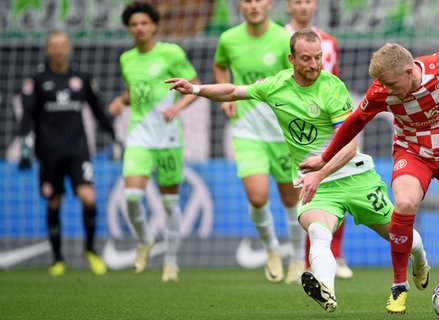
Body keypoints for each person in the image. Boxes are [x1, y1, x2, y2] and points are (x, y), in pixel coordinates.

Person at [165, 29, 430, 313]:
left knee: (399, 235)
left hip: (353, 177)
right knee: (318, 232)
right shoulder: (276, 85)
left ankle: (420, 261)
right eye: (306, 58)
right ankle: (326, 290)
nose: (314, 65)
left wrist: (318, 173)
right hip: (318, 185)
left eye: (318, 58)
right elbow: (232, 91)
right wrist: (194, 89)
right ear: (292, 58)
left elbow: (349, 147)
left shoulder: (332, 87)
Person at [299, 42, 439, 316]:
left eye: (391, 84)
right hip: (412, 153)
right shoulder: (381, 89)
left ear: (408, 70)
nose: (387, 91)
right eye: (383, 85)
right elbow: (355, 121)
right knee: (404, 203)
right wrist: (324, 158)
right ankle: (399, 286)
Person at [213, 0, 306, 284]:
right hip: (246, 130)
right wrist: (226, 100)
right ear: (240, 6)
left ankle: (298, 258)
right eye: (247, 0)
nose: (253, 5)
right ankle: (272, 250)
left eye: (259, 0)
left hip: (280, 132)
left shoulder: (282, 39)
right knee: (257, 197)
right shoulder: (228, 39)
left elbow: (296, 79)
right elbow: (220, 66)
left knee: (292, 200)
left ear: (269, 4)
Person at [108, 1, 201, 282]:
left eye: (144, 23)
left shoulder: (171, 53)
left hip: (169, 137)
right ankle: (145, 240)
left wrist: (177, 108)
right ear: (129, 29)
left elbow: (194, 87)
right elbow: (133, 94)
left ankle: (171, 261)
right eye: (134, 24)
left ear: (154, 26)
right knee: (132, 196)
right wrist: (120, 101)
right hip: (139, 137)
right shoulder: (127, 59)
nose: (139, 28)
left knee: (170, 203)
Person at [18, 30, 119, 276]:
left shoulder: (81, 78)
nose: (59, 49)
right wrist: (24, 145)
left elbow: (98, 111)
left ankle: (91, 250)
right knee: (54, 201)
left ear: (70, 48)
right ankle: (57, 259)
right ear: (47, 49)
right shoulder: (37, 79)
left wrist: (115, 138)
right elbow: (27, 116)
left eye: (63, 45)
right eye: (54, 45)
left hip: (78, 150)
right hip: (49, 152)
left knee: (88, 198)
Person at [284, 0, 352, 280]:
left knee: (341, 183)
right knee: (296, 194)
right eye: (297, 1)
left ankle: (335, 255)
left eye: (308, 1)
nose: (303, 7)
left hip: (325, 125)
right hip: (293, 127)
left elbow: (331, 82)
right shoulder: (280, 38)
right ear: (289, 6)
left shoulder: (330, 42)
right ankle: (297, 258)